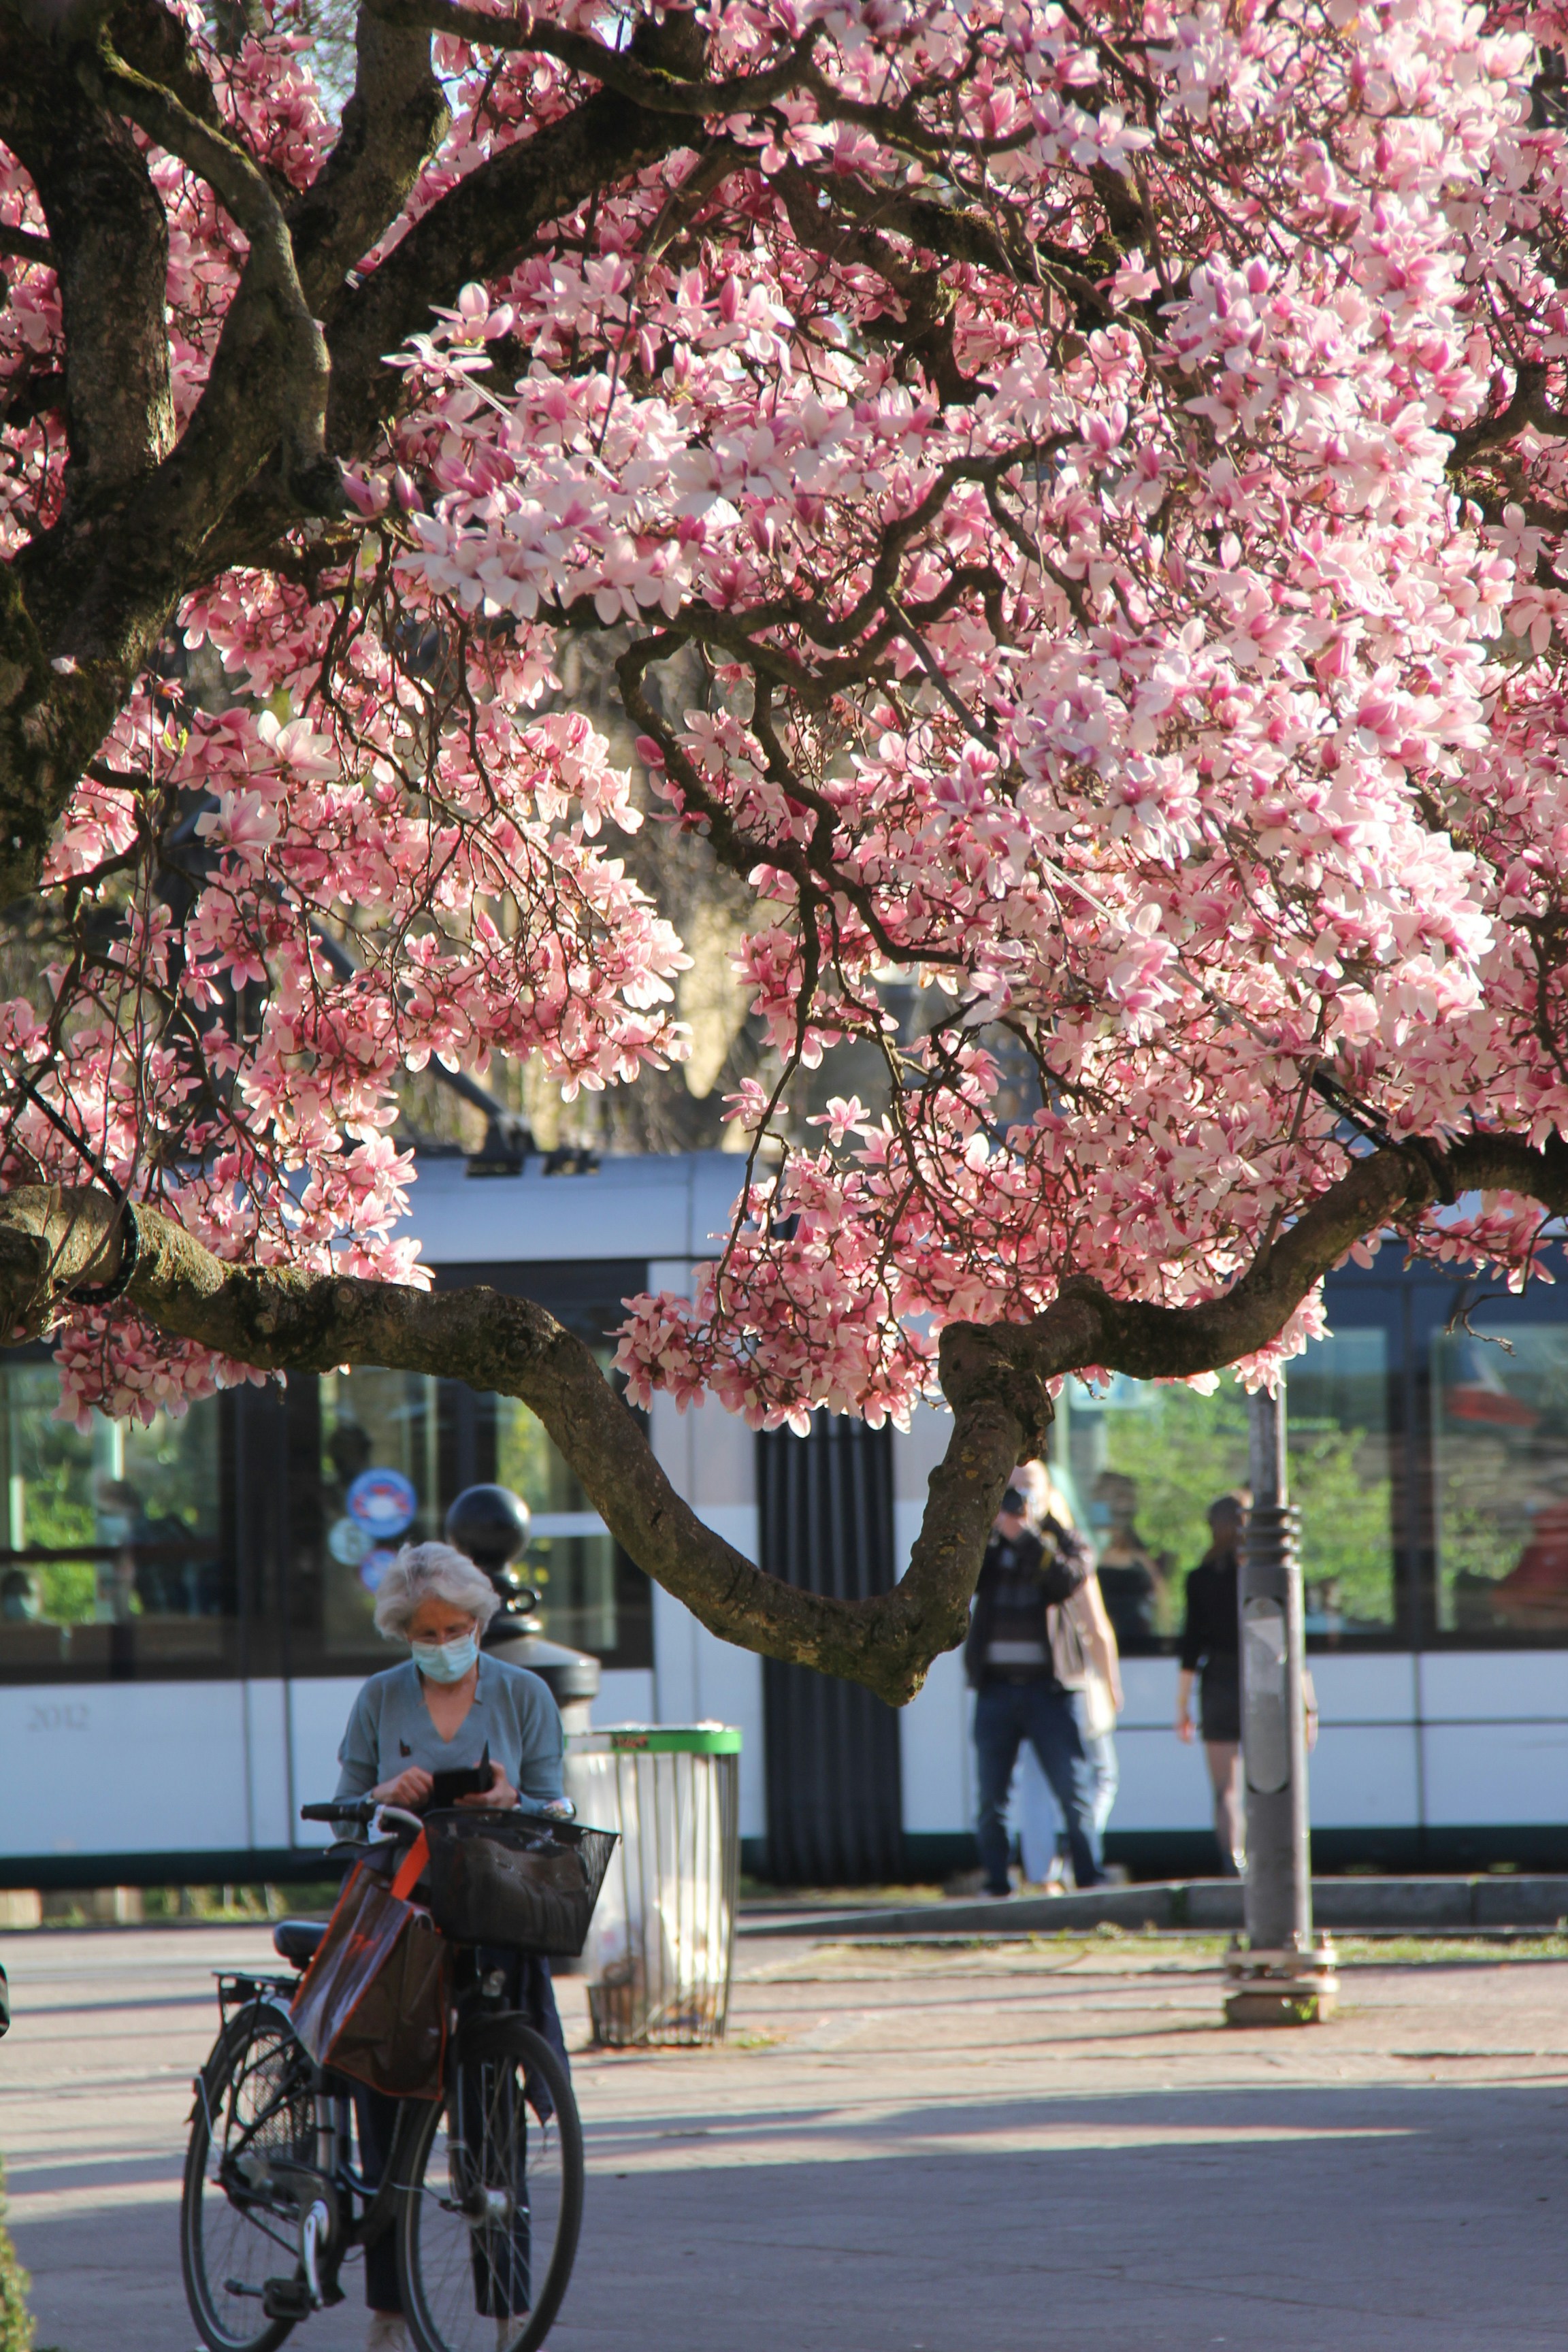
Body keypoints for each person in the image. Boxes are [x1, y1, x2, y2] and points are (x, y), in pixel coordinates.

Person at [334, 1539, 566, 2352]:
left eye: (456, 1627)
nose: (442, 1643)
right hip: (402, 1918)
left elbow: (556, 1801)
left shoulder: (525, 1695)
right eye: (425, 1632)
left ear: (480, 1622)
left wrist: (515, 1797)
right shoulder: (378, 1698)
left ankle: (506, 2313)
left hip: (496, 1907)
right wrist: (379, 1795)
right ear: (404, 1632)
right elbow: (342, 1811)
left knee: (495, 2114)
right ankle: (390, 2310)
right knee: (388, 2107)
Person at [966, 1482, 1105, 1895]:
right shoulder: (987, 1542)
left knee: (1073, 1791)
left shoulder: (1066, 1543)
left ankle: (1089, 1878)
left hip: (1052, 1691)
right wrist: (993, 1530)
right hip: (996, 1689)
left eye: (1029, 1489)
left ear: (1049, 1495)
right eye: (1012, 1489)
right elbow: (966, 1580)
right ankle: (997, 1882)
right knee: (992, 1798)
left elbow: (1065, 1581)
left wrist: (1024, 1536)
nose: (1019, 1498)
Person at [1014, 1470, 1124, 1886]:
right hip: (1071, 1680)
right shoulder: (1070, 1554)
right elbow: (1096, 1627)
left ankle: (1042, 1874)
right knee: (1100, 1774)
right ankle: (1076, 1844)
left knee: (1036, 1781)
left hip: (1021, 1680)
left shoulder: (1006, 1545)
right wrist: (1113, 1685)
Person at [1176, 1493, 1249, 1874]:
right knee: (1274, 1785)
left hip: (1218, 1682)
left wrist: (1181, 1707)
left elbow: (1191, 1647)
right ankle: (1276, 1860)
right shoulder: (1272, 1575)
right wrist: (1309, 1704)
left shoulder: (1200, 1579)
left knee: (1226, 1789)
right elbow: (1291, 1643)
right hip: (1265, 1681)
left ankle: (1233, 1863)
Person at [1090, 1470, 1163, 1648]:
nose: (1123, 1505)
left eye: (1125, 1497)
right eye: (1114, 1497)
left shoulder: (1146, 1555)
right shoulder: (1084, 1548)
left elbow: (1162, 1605)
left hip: (1141, 1648)